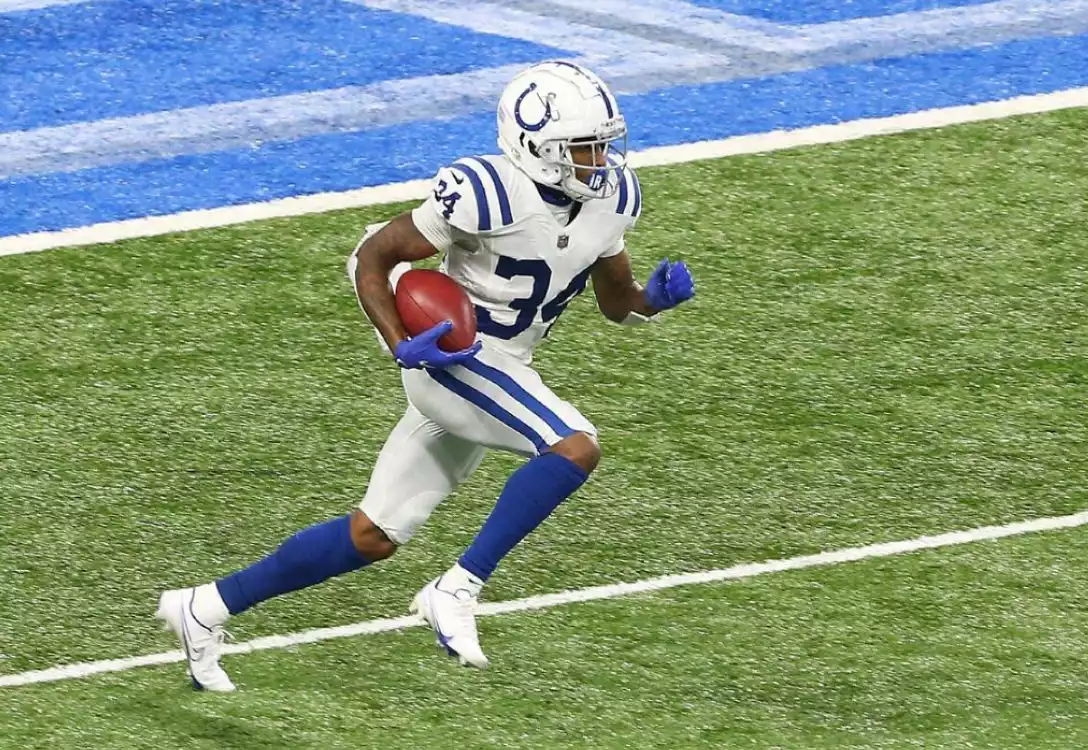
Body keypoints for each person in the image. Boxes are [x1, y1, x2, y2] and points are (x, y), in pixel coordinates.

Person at [156, 60, 696, 691]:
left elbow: (615, 299)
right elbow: (373, 256)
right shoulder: (488, 190)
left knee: (372, 534)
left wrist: (651, 300)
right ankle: (458, 589)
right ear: (536, 147)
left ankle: (204, 608)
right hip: (453, 358)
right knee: (573, 446)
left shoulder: (612, 196)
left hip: (506, 366)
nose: (599, 158)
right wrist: (399, 342)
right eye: (583, 146)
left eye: (603, 142)